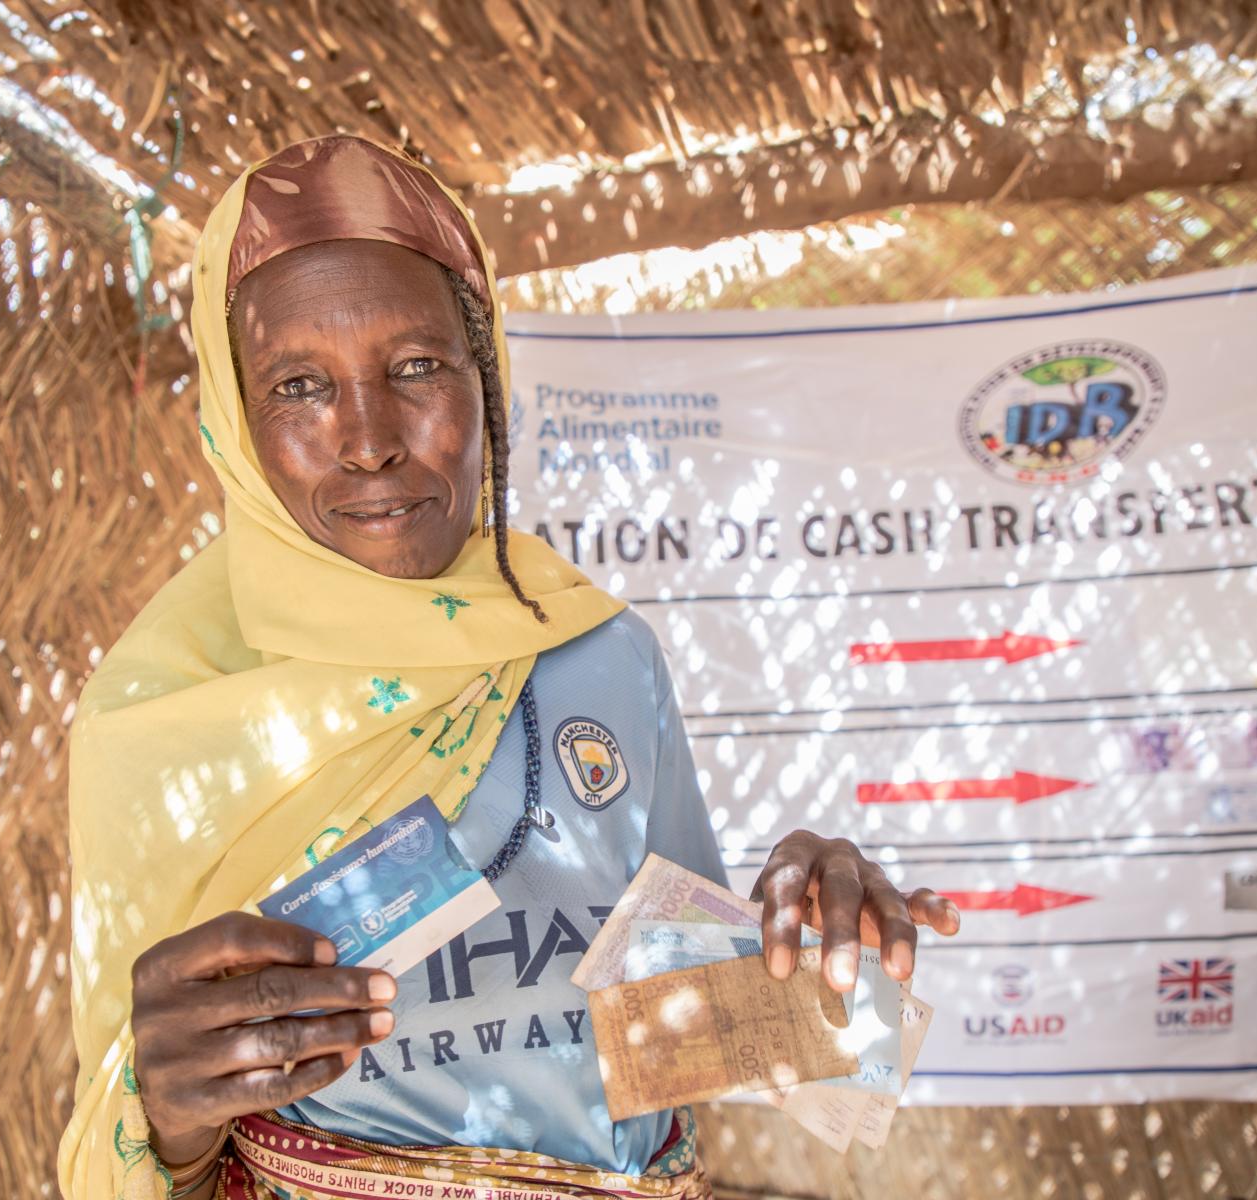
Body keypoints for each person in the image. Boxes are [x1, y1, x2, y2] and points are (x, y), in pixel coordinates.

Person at [58, 135, 961, 1200]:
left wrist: (807, 940)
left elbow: (674, 1030)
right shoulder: (165, 724)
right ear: (233, 425)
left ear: (488, 383)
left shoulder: (597, 654)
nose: (367, 439)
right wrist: (158, 1116)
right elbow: (128, 1132)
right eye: (298, 385)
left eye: (416, 368)